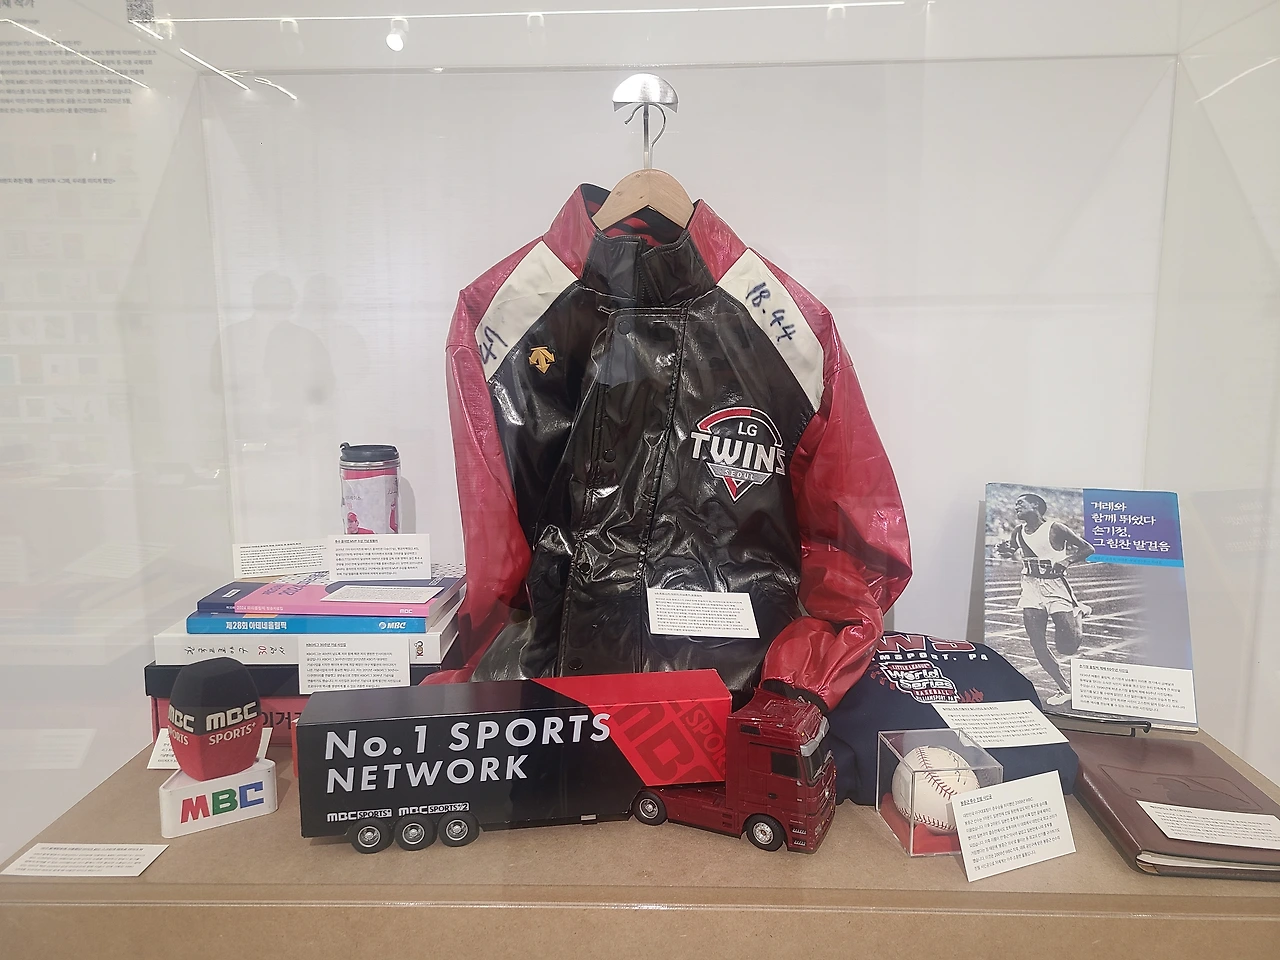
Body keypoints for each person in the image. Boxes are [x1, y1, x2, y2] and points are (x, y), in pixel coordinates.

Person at [996, 493, 1094, 706]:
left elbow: (1088, 548)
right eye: (1015, 504)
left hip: (1055, 587)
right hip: (1031, 588)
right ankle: (1065, 688)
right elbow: (1011, 550)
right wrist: (1004, 550)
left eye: (1020, 503)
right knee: (1037, 643)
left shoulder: (1056, 528)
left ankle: (1078, 612)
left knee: (1068, 647)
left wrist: (1067, 561)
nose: (1016, 507)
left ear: (1035, 505)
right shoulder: (1018, 531)